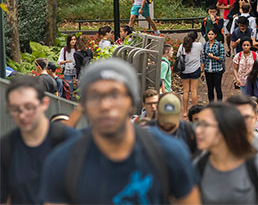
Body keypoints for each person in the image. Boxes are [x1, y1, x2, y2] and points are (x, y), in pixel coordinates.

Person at [39, 59, 201, 204]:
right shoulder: (62, 162)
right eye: (95, 96)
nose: (106, 105)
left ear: (132, 103)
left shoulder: (169, 152)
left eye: (115, 94)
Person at [1, 75, 79, 204]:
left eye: (29, 107)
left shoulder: (71, 141)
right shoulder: (6, 147)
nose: (22, 115)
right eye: (15, 109)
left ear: (44, 103)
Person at [193, 102, 258, 204]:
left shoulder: (255, 164)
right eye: (197, 124)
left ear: (224, 128)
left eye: (205, 125)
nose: (198, 130)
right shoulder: (199, 165)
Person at [177, 31, 203, 116]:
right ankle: (195, 112)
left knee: (185, 91)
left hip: (184, 70)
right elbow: (201, 54)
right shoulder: (198, 45)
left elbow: (178, 56)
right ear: (195, 38)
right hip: (195, 70)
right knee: (194, 91)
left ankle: (185, 112)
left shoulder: (182, 46)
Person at [201, 29, 226, 102]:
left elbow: (223, 58)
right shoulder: (205, 45)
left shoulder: (219, 45)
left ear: (215, 35)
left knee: (218, 88)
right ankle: (211, 105)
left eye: (212, 34)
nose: (210, 36)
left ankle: (219, 105)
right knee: (210, 89)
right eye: (209, 34)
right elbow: (203, 59)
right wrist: (202, 71)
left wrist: (213, 57)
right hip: (208, 70)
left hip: (217, 70)